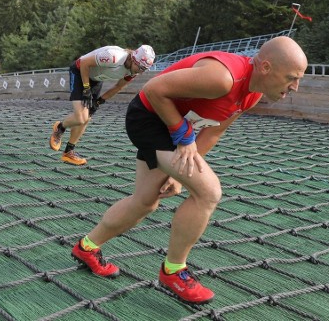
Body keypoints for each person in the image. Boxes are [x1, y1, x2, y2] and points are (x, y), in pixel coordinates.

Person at [70, 36, 307, 304]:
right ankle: (173, 271)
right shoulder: (223, 78)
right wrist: (182, 135)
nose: (295, 86)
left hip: (170, 129)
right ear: (266, 68)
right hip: (148, 118)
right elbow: (154, 89)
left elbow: (213, 132)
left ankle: (86, 248)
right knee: (209, 192)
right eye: (291, 77)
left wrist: (176, 172)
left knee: (145, 202)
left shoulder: (252, 95)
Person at [51, 44, 155, 166]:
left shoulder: (133, 71)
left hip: (96, 80)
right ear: (133, 59)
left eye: (144, 69)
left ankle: (68, 152)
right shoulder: (113, 57)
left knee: (87, 117)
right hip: (80, 72)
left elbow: (118, 87)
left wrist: (100, 101)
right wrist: (86, 88)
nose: (141, 72)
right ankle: (60, 128)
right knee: (81, 117)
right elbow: (84, 63)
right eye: (141, 68)